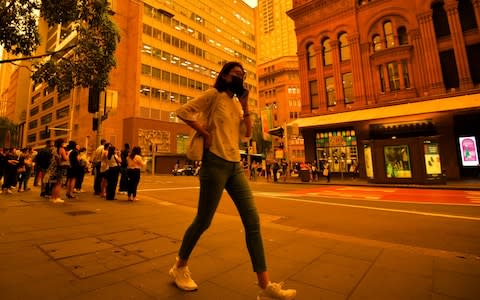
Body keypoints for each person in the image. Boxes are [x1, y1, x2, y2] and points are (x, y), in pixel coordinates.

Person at [170, 61, 296, 300]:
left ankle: (265, 285)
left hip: (235, 166)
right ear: (225, 76)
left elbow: (246, 133)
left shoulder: (237, 104)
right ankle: (179, 266)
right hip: (214, 163)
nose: (239, 78)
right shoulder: (213, 95)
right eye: (235, 74)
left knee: (253, 221)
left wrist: (246, 105)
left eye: (242, 75)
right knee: (203, 221)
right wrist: (205, 132)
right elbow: (183, 112)